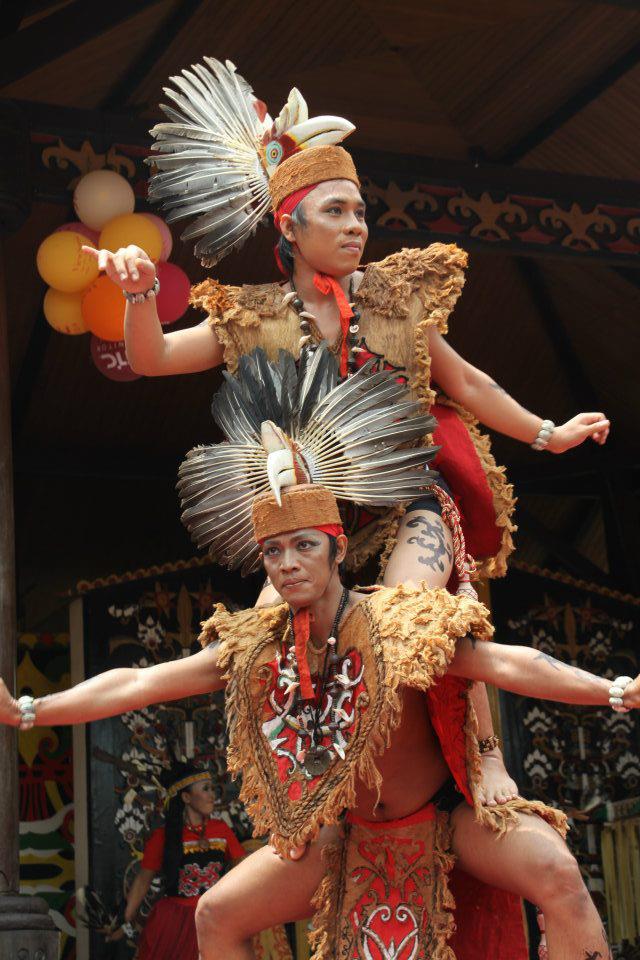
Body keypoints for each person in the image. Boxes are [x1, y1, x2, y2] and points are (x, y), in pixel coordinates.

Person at [83, 59, 610, 809]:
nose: (356, 226)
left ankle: (487, 753)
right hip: (312, 521)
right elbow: (153, 356)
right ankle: (300, 780)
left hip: (406, 504)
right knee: (254, 642)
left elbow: (467, 384)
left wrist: (545, 432)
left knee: (412, 619)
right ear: (289, 227)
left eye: (360, 212)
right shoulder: (252, 314)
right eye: (334, 211)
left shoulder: (398, 300)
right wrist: (139, 296)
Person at [5, 435, 635, 959]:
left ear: (337, 551)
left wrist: (614, 690)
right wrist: (30, 710)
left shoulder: (396, 627)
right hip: (346, 835)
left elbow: (504, 663)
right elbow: (142, 681)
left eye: (304, 545)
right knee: (217, 915)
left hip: (444, 819)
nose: (287, 563)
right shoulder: (259, 644)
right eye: (273, 551)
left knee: (556, 871)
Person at [106, 763, 244, 959]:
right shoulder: (163, 837)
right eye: (205, 789)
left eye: (212, 788)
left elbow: (241, 867)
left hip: (214, 916)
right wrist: (123, 919)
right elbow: (143, 880)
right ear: (186, 797)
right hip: (175, 922)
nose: (212, 794)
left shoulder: (221, 830)